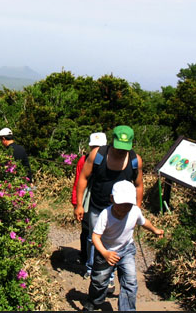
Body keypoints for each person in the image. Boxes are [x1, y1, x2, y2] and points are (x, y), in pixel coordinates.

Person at [74, 125, 144, 294]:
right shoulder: (97, 155)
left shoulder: (135, 160)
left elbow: (139, 186)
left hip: (122, 211)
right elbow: (83, 178)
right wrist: (79, 204)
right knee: (94, 239)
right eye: (119, 147)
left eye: (125, 149)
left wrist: (136, 210)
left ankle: (109, 277)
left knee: (115, 241)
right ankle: (93, 270)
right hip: (98, 206)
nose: (121, 152)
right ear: (112, 141)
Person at [83, 180, 164, 311]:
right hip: (106, 251)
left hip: (126, 250)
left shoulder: (134, 211)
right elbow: (95, 237)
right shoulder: (105, 215)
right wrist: (105, 253)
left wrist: (154, 230)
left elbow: (143, 222)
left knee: (130, 281)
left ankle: (127, 309)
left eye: (128, 204)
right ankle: (94, 301)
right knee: (99, 281)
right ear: (112, 199)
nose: (124, 208)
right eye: (120, 204)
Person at [71, 132, 107, 276]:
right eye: (94, 147)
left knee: (98, 233)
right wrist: (76, 203)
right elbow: (78, 181)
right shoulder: (84, 160)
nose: (96, 150)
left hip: (98, 200)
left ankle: (95, 263)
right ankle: (87, 259)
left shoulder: (109, 161)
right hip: (87, 200)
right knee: (87, 230)